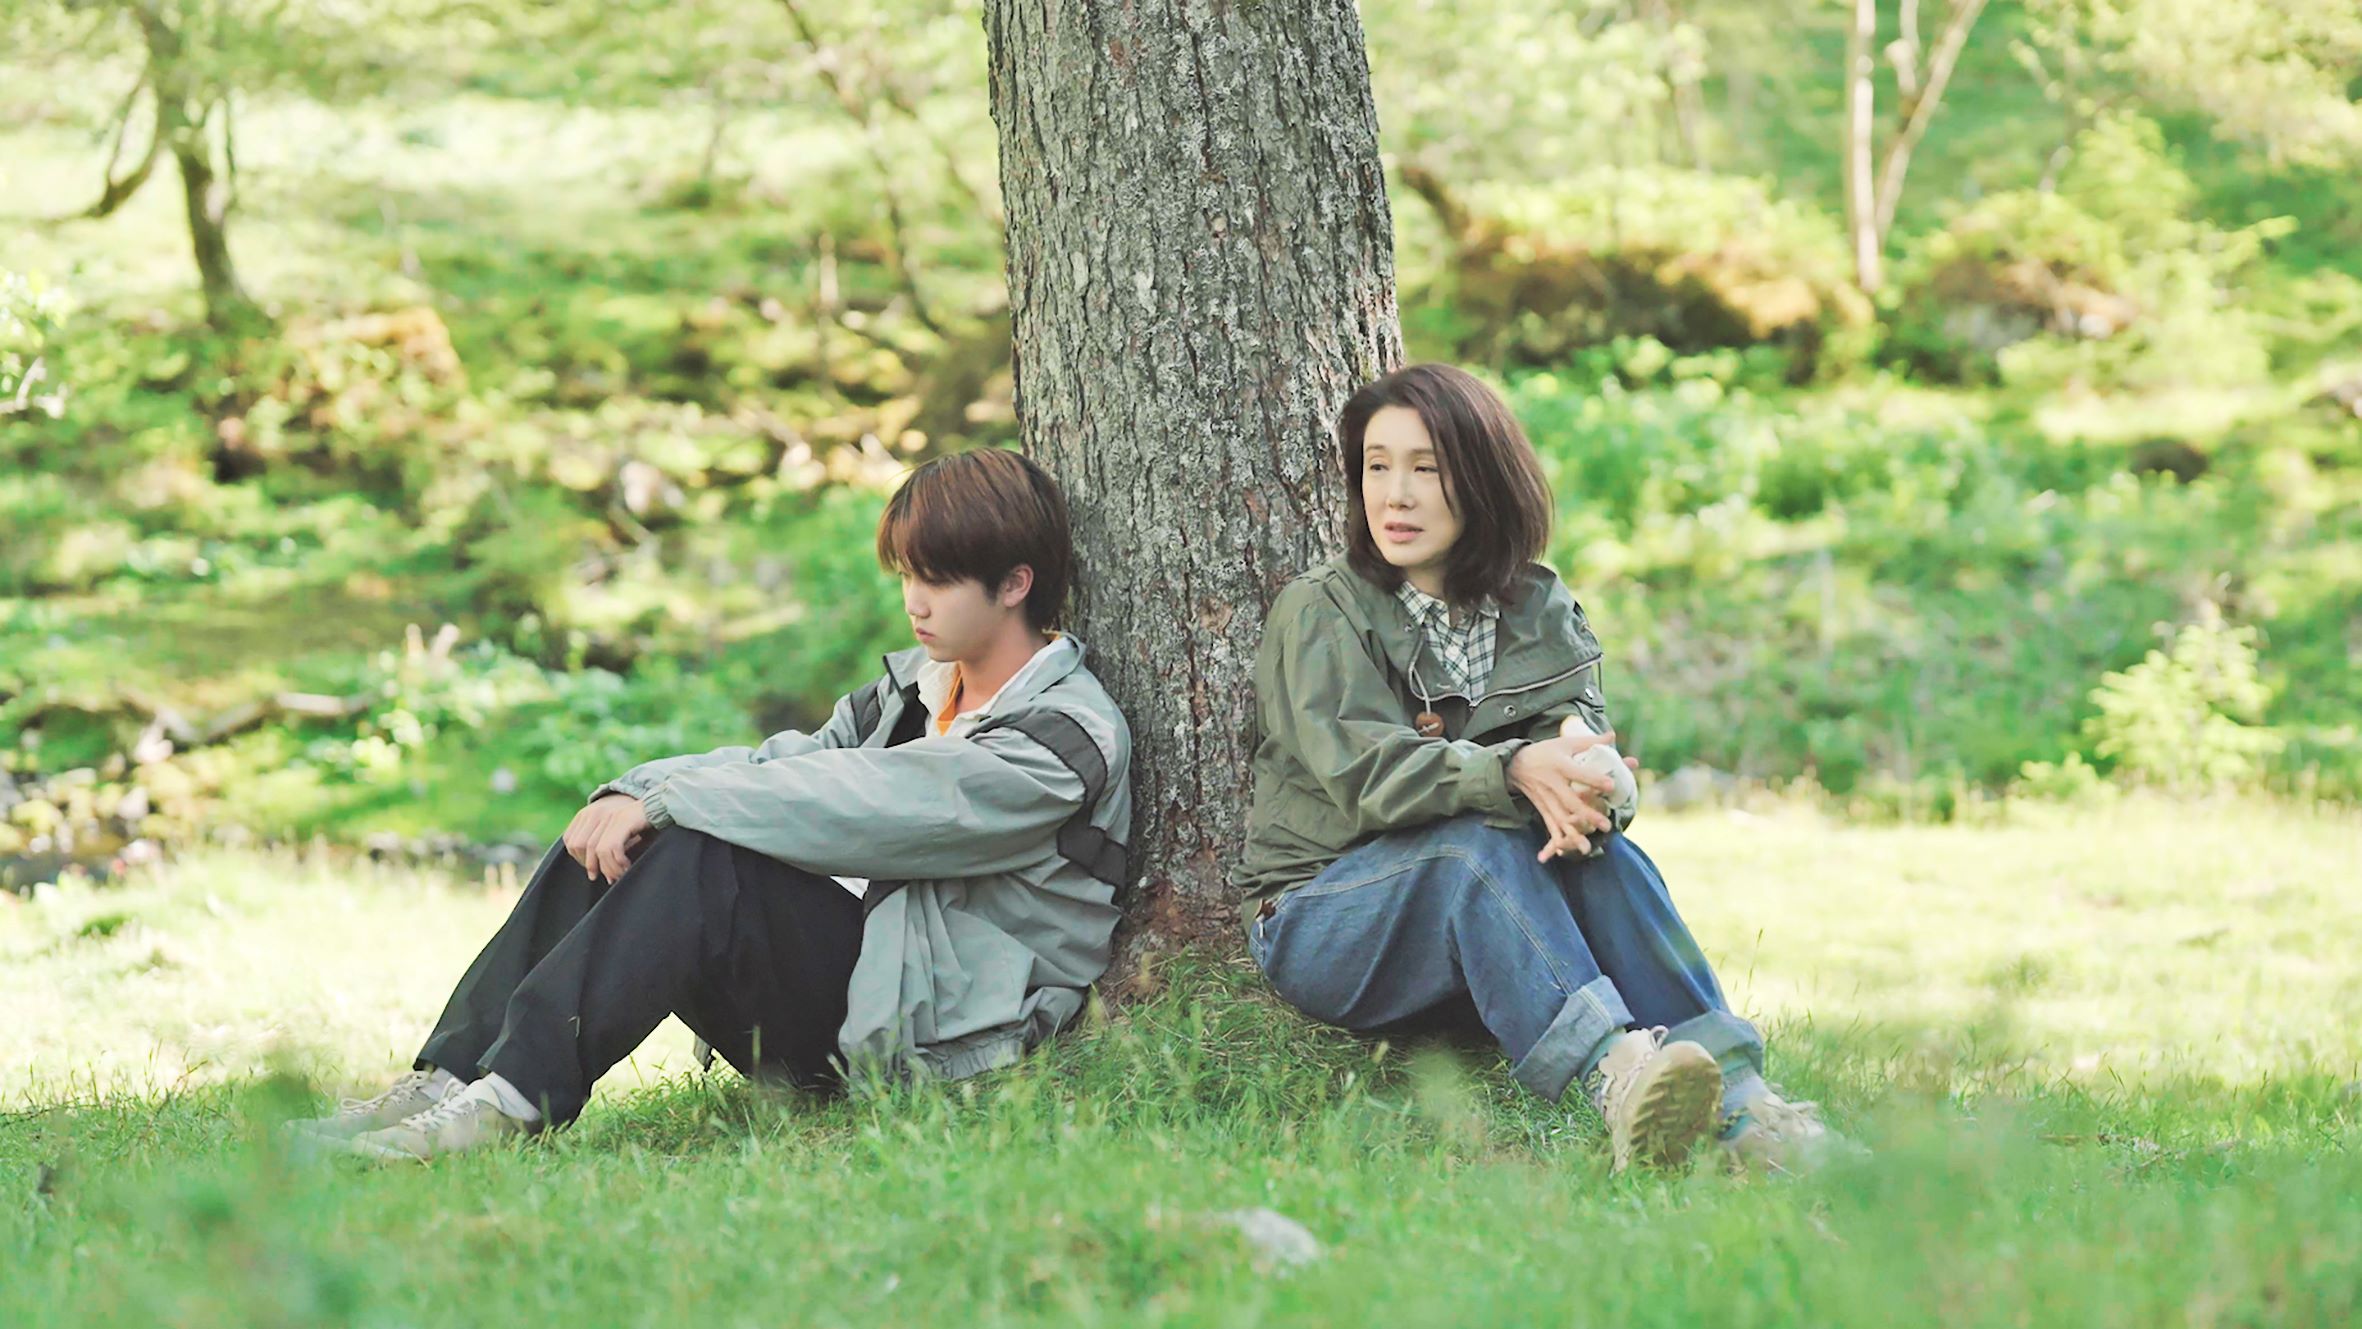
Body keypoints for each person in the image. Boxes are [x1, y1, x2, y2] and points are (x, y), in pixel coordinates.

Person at [287, 449, 1133, 1162]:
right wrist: (636, 789)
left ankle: (508, 1102)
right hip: (862, 992)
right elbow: (790, 761)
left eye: (938, 580)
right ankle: (448, 1078)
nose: (914, 600)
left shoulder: (1063, 737)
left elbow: (869, 802)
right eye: (909, 574)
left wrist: (671, 801)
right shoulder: (918, 687)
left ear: (1014, 582)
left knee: (699, 846)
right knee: (627, 826)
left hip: (943, 1034)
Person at [1237, 363, 1831, 1174]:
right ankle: (1620, 1082)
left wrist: (1597, 787)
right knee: (1470, 849)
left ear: (1482, 477)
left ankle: (1745, 1108)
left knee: (1605, 857)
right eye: (1377, 466)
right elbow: (1369, 777)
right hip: (1325, 914)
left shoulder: (1537, 607)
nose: (1395, 495)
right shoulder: (1322, 609)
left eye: (1426, 467)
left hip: (1483, 930)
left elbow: (1580, 750)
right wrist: (1515, 769)